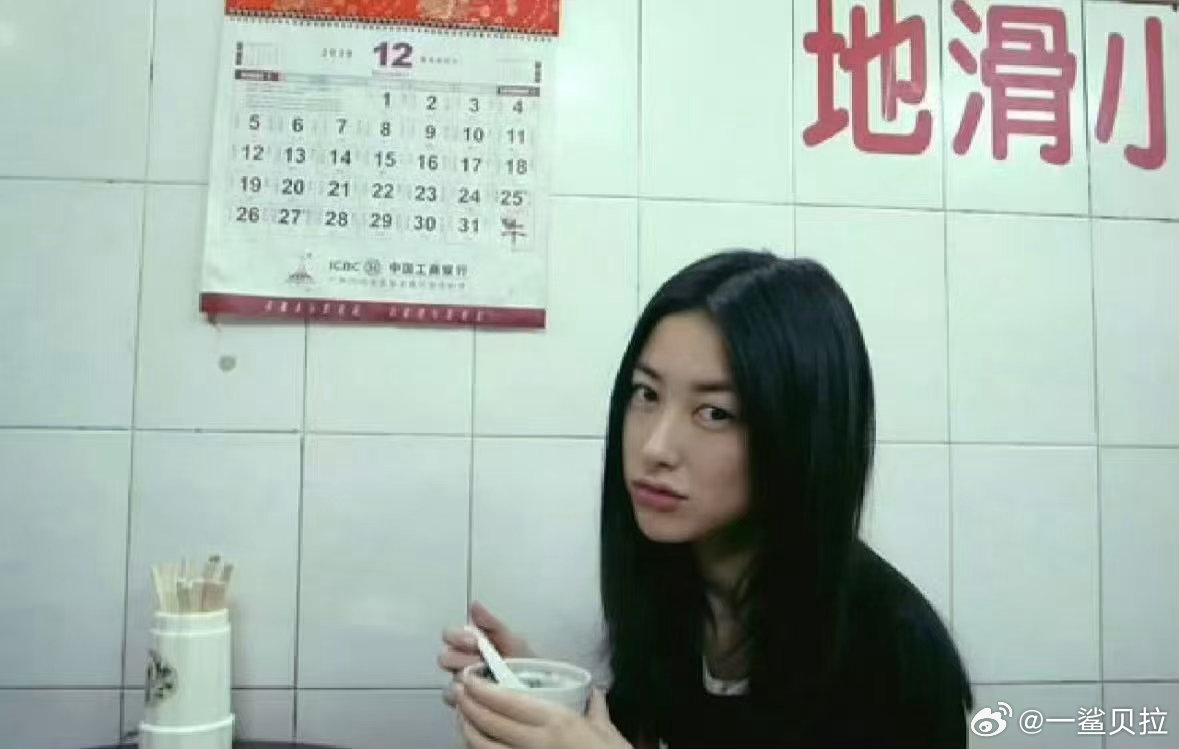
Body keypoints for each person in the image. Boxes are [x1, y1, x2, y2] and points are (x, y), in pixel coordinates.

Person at [438, 250, 973, 749]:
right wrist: (542, 694)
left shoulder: (897, 652)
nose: (655, 447)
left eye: (714, 413)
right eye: (647, 394)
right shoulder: (672, 578)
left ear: (800, 434)